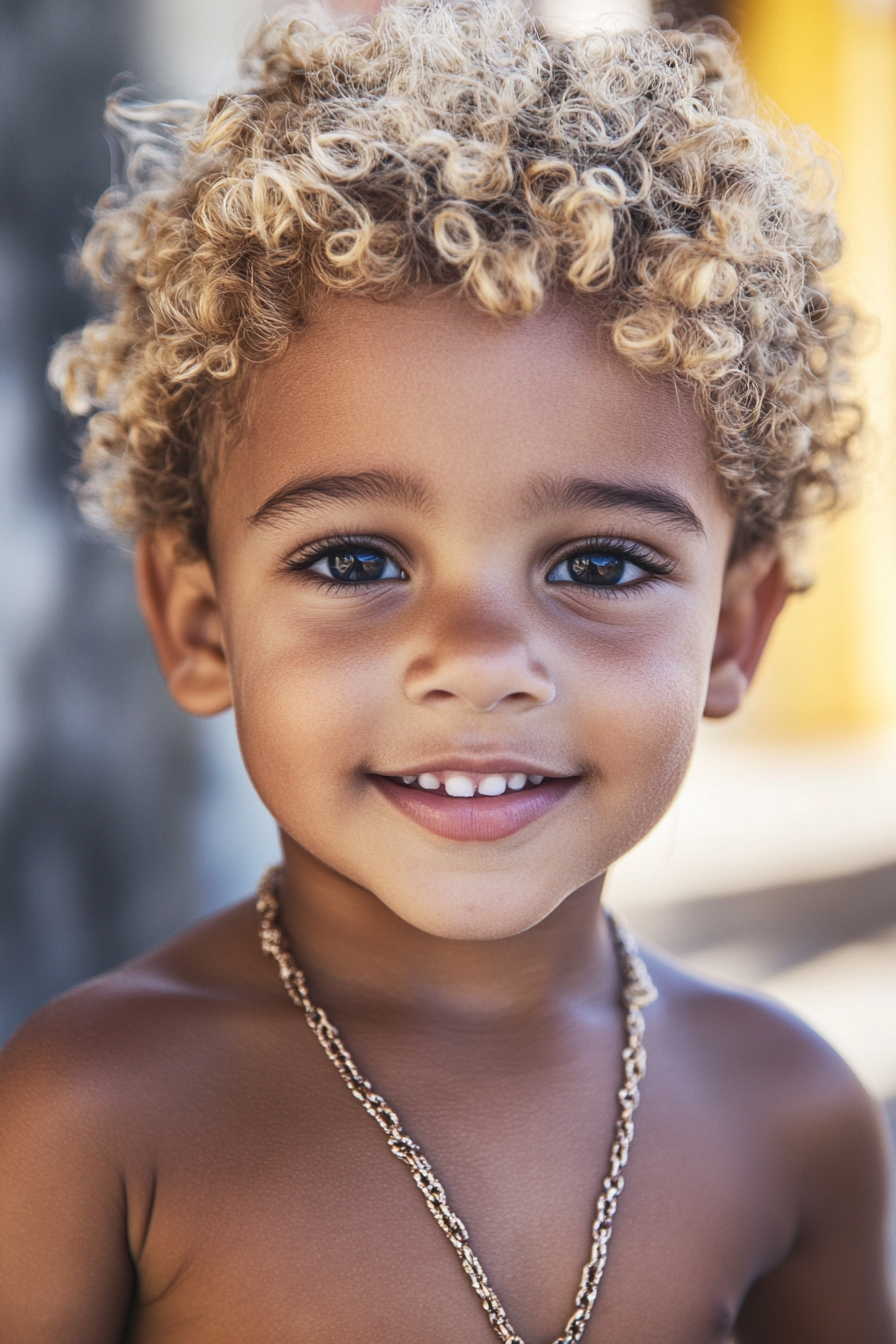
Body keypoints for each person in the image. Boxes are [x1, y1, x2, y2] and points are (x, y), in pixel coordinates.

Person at [0, 4, 892, 1341]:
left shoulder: (793, 1116)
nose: (476, 660)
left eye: (598, 565)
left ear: (734, 630)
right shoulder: (98, 1108)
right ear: (198, 623)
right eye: (357, 562)